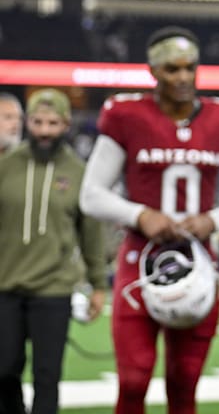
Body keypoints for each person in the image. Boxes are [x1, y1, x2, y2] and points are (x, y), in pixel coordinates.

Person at [79, 26, 219, 414]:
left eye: (189, 68)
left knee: (184, 382)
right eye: (172, 69)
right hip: (139, 261)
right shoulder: (126, 114)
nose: (182, 77)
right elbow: (90, 194)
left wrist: (214, 219)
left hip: (197, 263)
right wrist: (139, 214)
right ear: (153, 71)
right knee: (133, 379)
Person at [0, 89, 107, 414]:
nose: (45, 130)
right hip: (5, 287)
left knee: (47, 377)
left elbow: (91, 235)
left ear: (66, 124)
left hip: (54, 290)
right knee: (3, 372)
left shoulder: (79, 172)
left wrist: (99, 285)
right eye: (37, 122)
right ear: (27, 123)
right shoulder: (6, 166)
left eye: (53, 122)